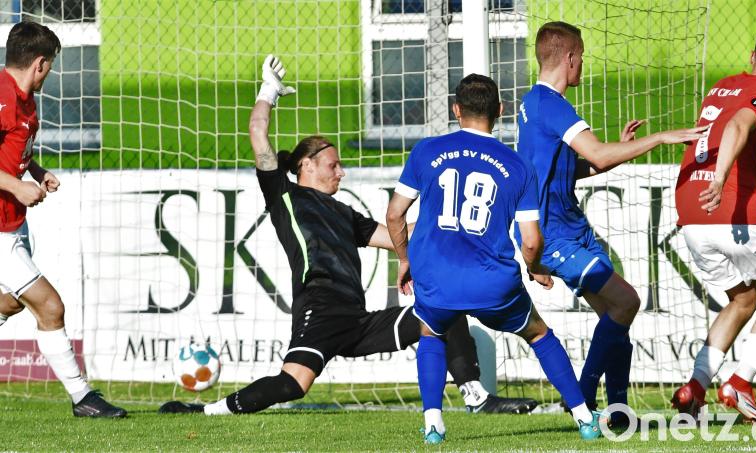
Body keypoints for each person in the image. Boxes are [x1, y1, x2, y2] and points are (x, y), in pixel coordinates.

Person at [158, 55, 538, 417]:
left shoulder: (346, 215)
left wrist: (453, 218)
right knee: (293, 384)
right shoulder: (284, 195)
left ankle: (474, 396)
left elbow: (397, 235)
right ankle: (205, 409)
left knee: (443, 314)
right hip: (320, 311)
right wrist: (268, 92)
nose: (341, 172)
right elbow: (258, 133)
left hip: (357, 320)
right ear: (305, 165)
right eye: (333, 165)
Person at [387, 73, 603, 444]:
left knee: (431, 332)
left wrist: (405, 260)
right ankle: (584, 418)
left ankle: (434, 425)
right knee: (538, 334)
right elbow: (531, 241)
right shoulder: (518, 166)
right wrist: (536, 270)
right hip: (492, 282)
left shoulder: (426, 150)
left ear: (456, 110)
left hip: (437, 278)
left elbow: (394, 216)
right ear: (500, 111)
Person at [515, 21, 707, 419]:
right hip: (554, 236)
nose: (582, 65)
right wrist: (659, 138)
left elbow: (580, 168)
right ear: (569, 58)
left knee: (615, 319)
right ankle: (582, 396)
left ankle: (618, 409)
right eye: (581, 57)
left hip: (572, 228)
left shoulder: (533, 103)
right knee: (628, 301)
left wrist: (622, 145)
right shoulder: (552, 105)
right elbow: (599, 155)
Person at [671, 27, 756, 425]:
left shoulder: (722, 87)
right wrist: (718, 179)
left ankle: (694, 388)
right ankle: (741, 382)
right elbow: (737, 129)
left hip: (691, 212)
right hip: (730, 210)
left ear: (752, 56)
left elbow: (726, 146)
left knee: (743, 299)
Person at [0, 21, 126, 418]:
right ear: (39, 63)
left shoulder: (25, 100)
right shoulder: (2, 97)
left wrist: (36, 173)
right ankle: (82, 397)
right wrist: (17, 187)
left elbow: (13, 150)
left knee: (8, 304)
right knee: (50, 307)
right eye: (50, 65)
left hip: (13, 223)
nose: (50, 73)